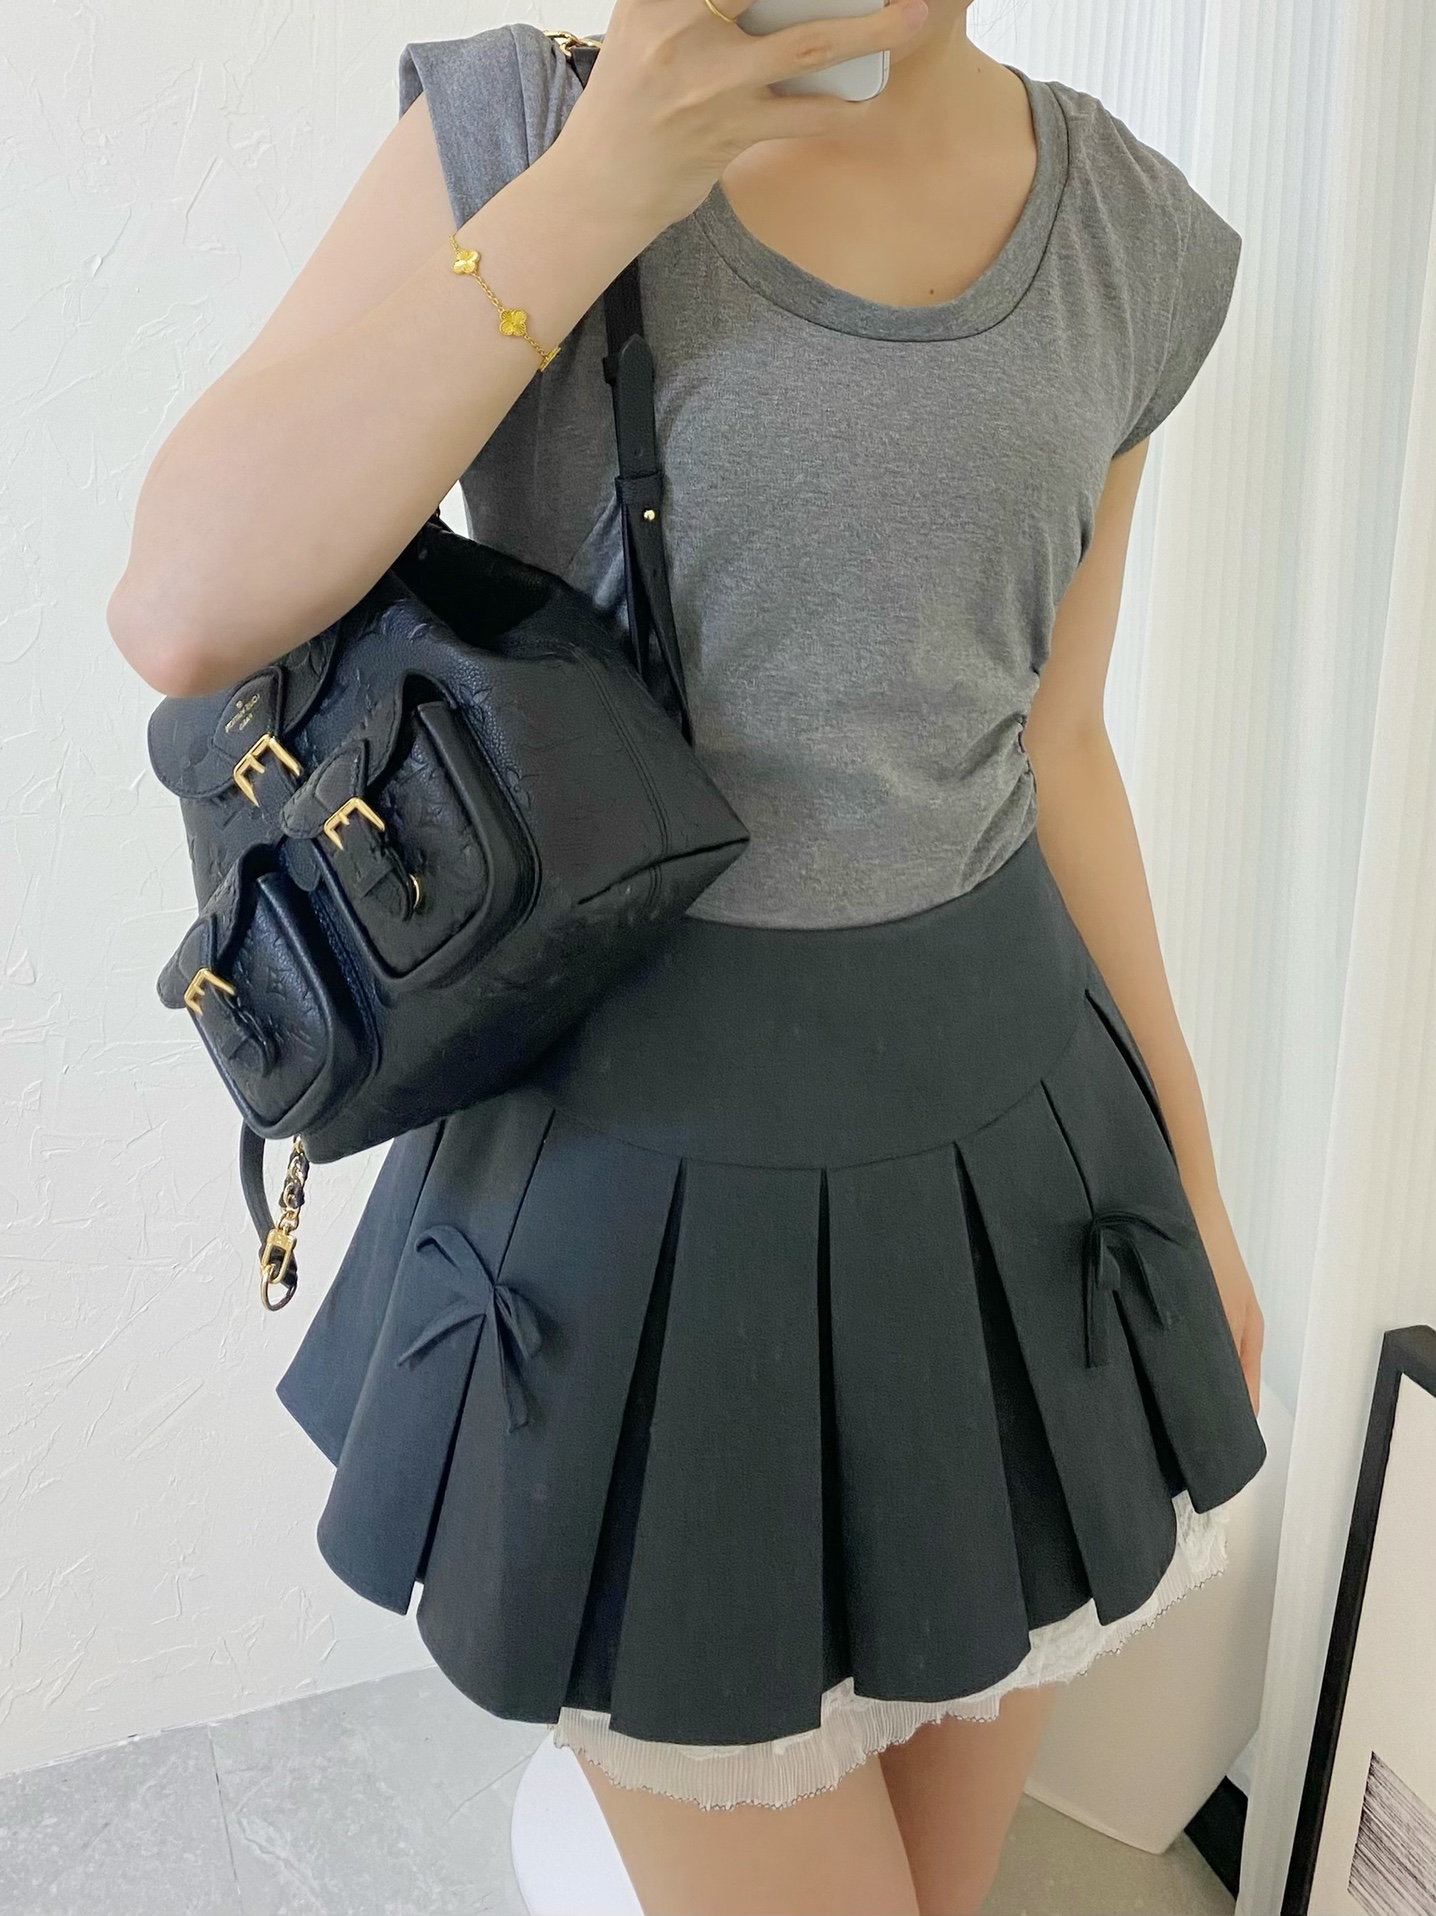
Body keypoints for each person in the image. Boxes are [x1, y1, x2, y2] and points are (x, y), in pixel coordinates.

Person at [107, 0, 1268, 1909]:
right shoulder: (528, 122)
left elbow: (1056, 743)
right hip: (639, 1202)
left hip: (1012, 1179)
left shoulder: (1124, 232)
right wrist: (600, 192)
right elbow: (180, 606)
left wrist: (1197, 1190)